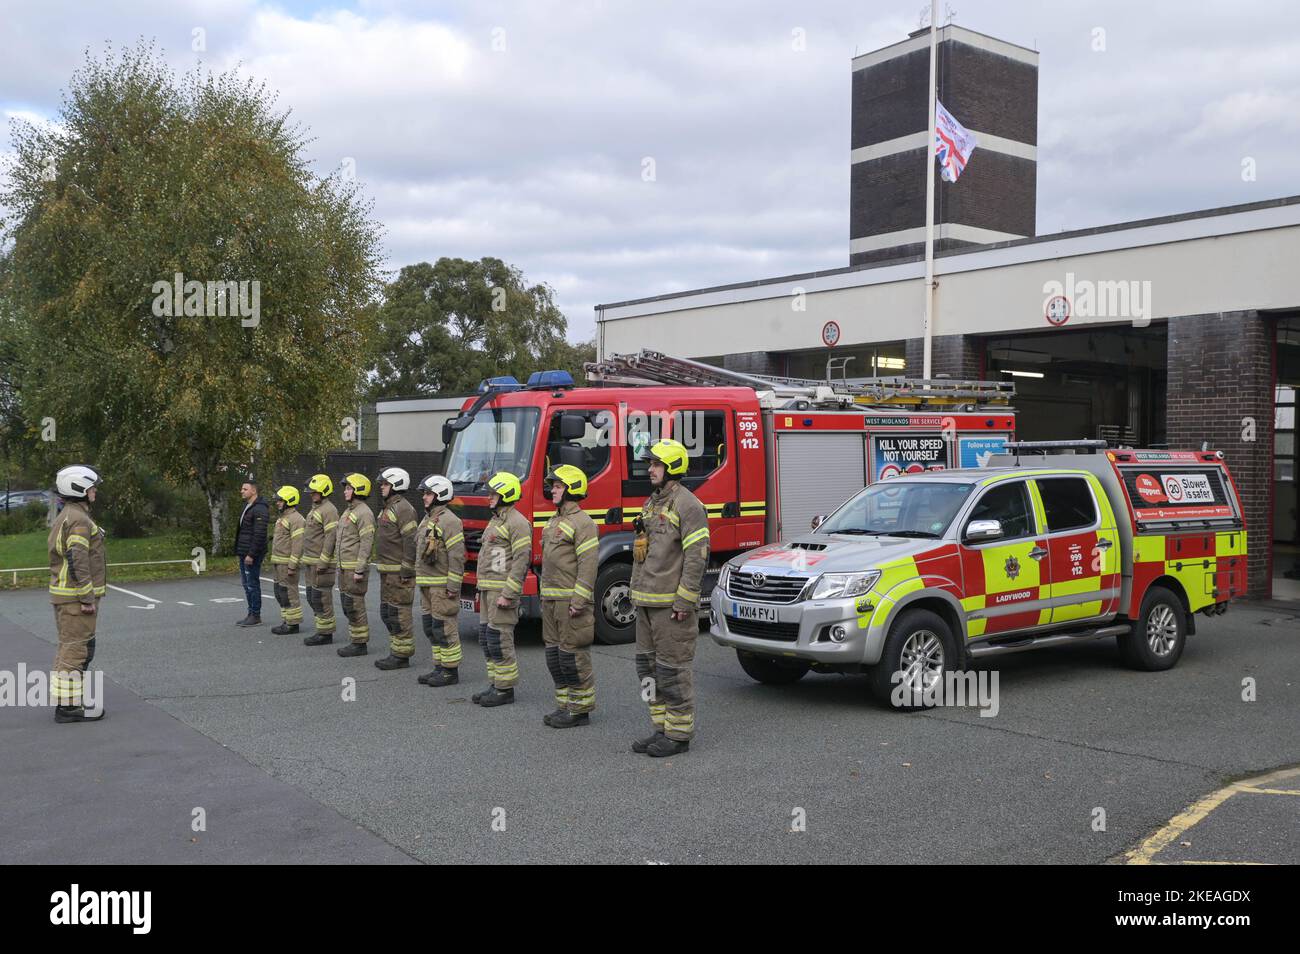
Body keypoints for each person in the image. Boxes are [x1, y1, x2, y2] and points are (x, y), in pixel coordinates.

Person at [629, 439, 709, 757]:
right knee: (647, 670)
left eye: (656, 464)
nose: (650, 469)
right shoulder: (652, 503)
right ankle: (660, 729)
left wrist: (684, 602)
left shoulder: (688, 505)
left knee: (672, 670)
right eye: (650, 464)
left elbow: (696, 556)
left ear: (672, 468)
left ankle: (678, 735)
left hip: (669, 606)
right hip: (646, 602)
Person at [538, 465, 599, 728]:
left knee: (573, 657)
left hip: (570, 602)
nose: (552, 489)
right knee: (555, 656)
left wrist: (579, 600)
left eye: (558, 486)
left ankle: (580, 710)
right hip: (550, 599)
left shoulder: (583, 523)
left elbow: (588, 565)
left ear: (572, 489)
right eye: (553, 485)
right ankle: (564, 706)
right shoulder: (554, 520)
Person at [48, 465, 105, 723]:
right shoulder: (79, 519)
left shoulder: (69, 514)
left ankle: (68, 702)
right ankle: (69, 708)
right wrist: (87, 597)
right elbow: (78, 559)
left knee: (70, 649)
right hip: (75, 599)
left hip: (67, 597)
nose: (95, 491)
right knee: (75, 652)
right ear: (78, 488)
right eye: (92, 486)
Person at [471, 471, 531, 708]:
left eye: (493, 494)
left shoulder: (517, 522)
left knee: (500, 638)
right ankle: (495, 683)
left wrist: (509, 593)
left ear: (506, 494)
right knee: (486, 638)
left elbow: (521, 560)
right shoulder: (496, 520)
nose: (489, 498)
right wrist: (479, 587)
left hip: (501, 592)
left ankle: (505, 689)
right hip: (488, 590)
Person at [413, 474, 465, 687]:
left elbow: (457, 556)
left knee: (445, 628)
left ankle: (450, 672)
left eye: (428, 493)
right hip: (426, 583)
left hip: (441, 585)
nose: (424, 497)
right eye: (424, 493)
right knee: (431, 628)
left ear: (440, 494)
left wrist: (453, 586)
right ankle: (438, 667)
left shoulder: (450, 521)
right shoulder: (428, 519)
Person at [373, 467, 419, 671]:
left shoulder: (403, 509)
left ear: (396, 485)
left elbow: (411, 541)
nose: (381, 487)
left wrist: (407, 570)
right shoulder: (388, 507)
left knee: (399, 614)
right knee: (388, 613)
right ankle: (396, 650)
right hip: (386, 572)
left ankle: (401, 656)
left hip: (398, 574)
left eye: (385, 484)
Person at [335, 473, 377, 656]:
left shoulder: (364, 513)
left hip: (354, 568)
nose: (345, 491)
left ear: (358, 490)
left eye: (349, 488)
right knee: (347, 604)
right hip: (344, 567)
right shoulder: (349, 511)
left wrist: (360, 569)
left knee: (355, 605)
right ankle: (355, 640)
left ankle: (360, 644)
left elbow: (366, 543)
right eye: (345, 488)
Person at [301, 474, 340, 646]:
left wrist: (324, 561)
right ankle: (321, 628)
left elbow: (331, 537)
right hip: (311, 562)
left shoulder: (329, 510)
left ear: (324, 491)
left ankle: (325, 634)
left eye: (314, 492)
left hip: (321, 564)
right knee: (312, 596)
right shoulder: (316, 509)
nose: (311, 494)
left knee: (321, 597)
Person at [269, 486, 306, 635]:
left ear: (289, 500)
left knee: (289, 593)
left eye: (280, 500)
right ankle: (286, 620)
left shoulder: (296, 519)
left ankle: (293, 624)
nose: (277, 503)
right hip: (279, 562)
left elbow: (298, 544)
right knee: (280, 592)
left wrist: (292, 565)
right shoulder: (283, 517)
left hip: (287, 563)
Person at [234, 480, 270, 627]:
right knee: (246, 584)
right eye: (242, 488)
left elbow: (259, 534)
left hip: (251, 553)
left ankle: (256, 615)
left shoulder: (260, 509)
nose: (241, 491)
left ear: (253, 491)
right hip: (244, 551)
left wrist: (251, 554)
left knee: (252, 584)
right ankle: (250, 613)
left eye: (245, 489)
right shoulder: (248, 507)